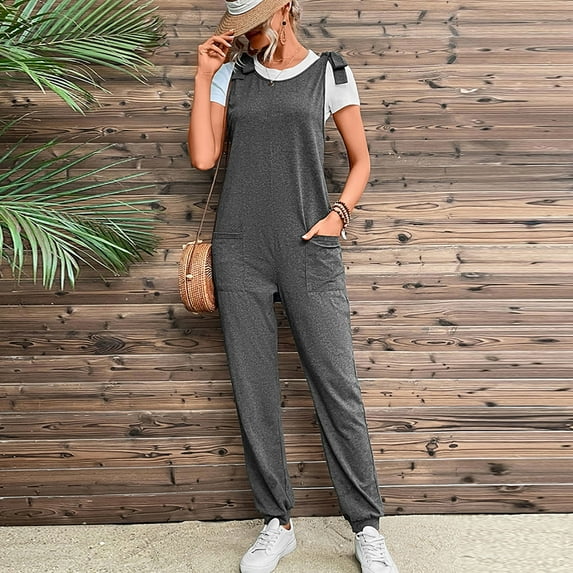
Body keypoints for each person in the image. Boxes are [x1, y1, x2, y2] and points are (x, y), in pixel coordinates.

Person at [188, 1, 399, 572]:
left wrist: (339, 215)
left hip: (309, 245)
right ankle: (276, 523)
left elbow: (361, 160)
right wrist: (204, 75)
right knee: (253, 388)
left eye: (253, 25)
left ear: (283, 11)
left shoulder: (330, 71)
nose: (246, 37)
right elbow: (204, 158)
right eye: (238, 29)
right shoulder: (233, 75)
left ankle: (366, 526)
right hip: (240, 248)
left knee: (336, 386)